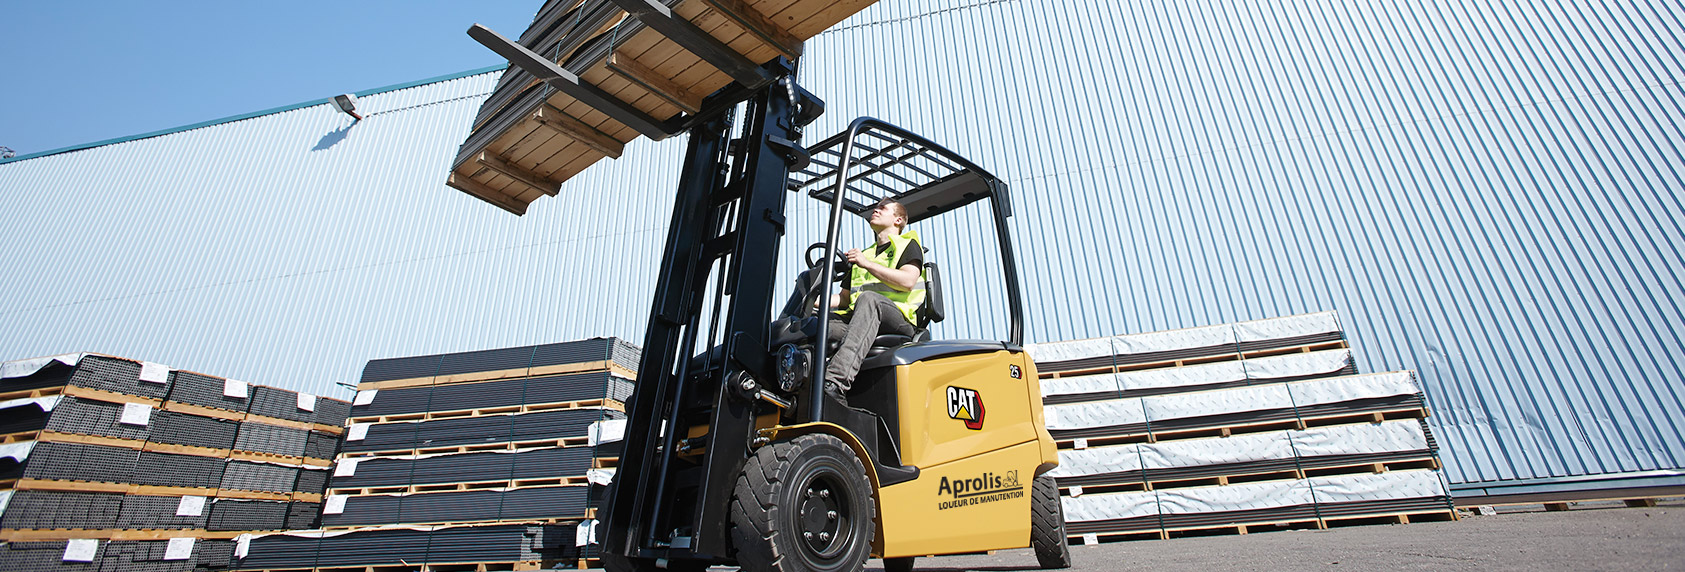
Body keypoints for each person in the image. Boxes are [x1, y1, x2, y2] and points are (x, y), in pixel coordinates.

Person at [776, 199, 926, 403]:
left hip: (898, 321)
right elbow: (845, 299)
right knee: (813, 325)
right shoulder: (864, 255)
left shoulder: (907, 245)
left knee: (869, 299)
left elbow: (907, 281)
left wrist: (867, 264)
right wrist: (810, 298)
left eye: (883, 208)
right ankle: (791, 388)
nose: (876, 209)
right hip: (862, 320)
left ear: (898, 219)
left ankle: (835, 383)